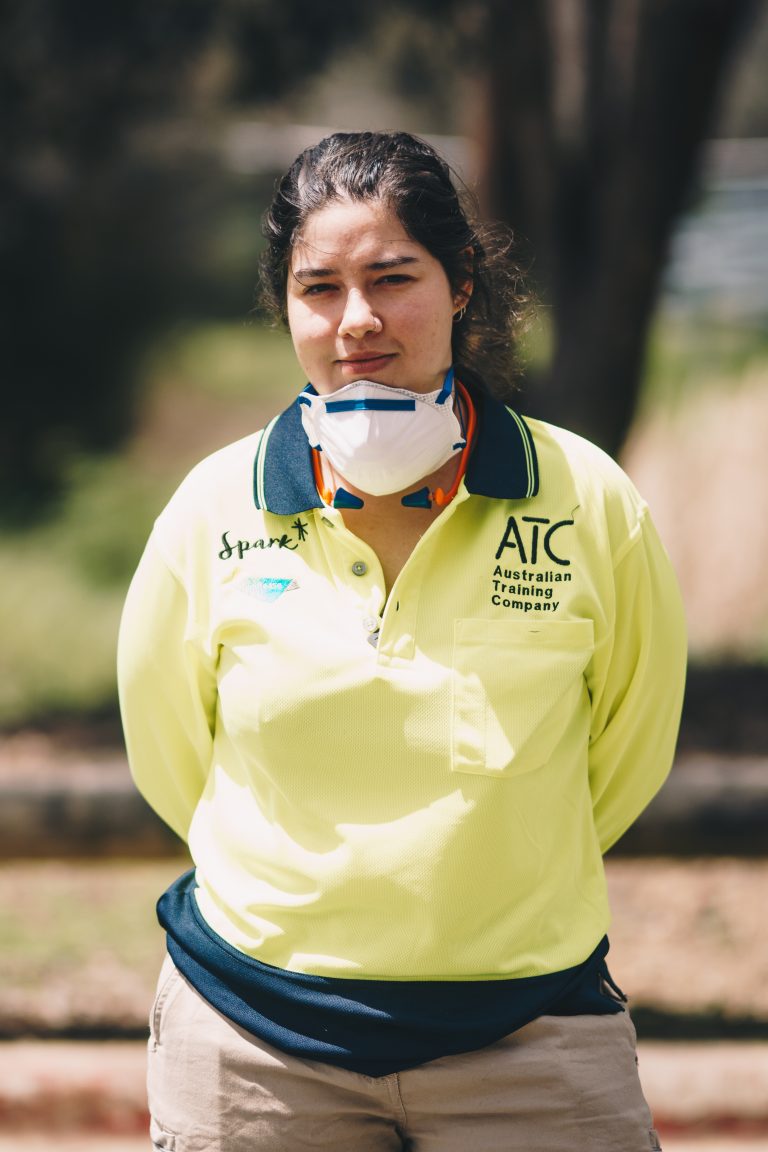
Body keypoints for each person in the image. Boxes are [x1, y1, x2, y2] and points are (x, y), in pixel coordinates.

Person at [117, 130, 686, 1152]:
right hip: (252, 1049)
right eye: (319, 288)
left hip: (532, 1038)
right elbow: (170, 758)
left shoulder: (590, 501)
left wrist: (496, 886)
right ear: (286, 306)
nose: (357, 320)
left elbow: (629, 751)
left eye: (392, 278)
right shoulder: (210, 510)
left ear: (460, 283)